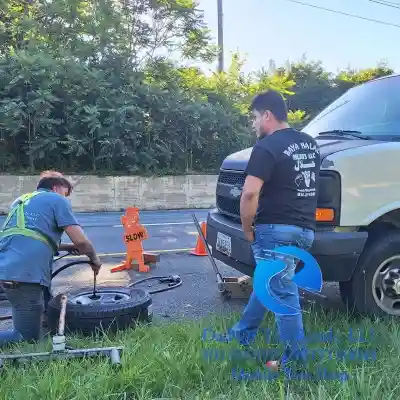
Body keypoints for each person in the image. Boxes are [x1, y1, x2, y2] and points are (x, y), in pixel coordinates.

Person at [230, 90, 321, 372]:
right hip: (304, 231)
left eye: (255, 118)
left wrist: (247, 229)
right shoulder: (310, 144)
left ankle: (296, 365)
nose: (253, 125)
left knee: (282, 293)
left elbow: (249, 195)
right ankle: (241, 335)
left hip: (275, 230)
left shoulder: (266, 147)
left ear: (267, 115)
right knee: (268, 281)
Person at [0, 175, 102, 346]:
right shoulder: (56, 199)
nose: (65, 198)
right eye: (65, 193)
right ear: (56, 187)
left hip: (9, 267)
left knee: (45, 303)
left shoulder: (21, 201)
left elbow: (33, 236)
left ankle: (50, 333)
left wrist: (67, 248)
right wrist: (95, 259)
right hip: (25, 274)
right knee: (26, 339)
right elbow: (82, 242)